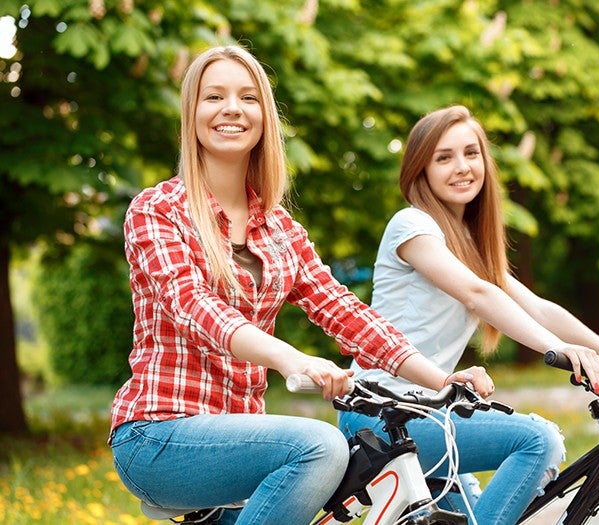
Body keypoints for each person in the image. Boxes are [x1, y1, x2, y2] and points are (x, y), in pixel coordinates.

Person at [108, 47, 492, 525]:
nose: (232, 108)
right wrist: (293, 358)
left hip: (242, 437)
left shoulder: (278, 227)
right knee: (321, 447)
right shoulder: (158, 209)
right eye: (214, 96)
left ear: (264, 117)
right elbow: (194, 306)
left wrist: (442, 381)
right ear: (192, 113)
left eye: (248, 97)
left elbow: (345, 311)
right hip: (158, 433)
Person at [339, 105, 599, 524]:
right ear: (420, 170)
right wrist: (559, 350)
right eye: (444, 157)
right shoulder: (412, 226)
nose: (462, 167)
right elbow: (477, 294)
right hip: (381, 413)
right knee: (538, 442)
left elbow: (539, 309)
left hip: (429, 412)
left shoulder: (470, 244)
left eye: (471, 153)